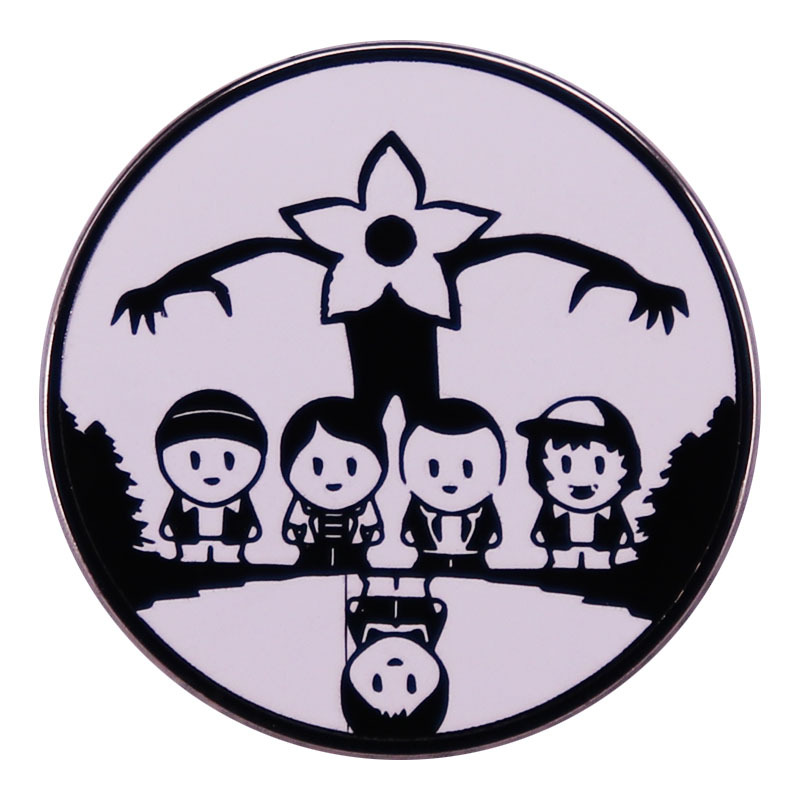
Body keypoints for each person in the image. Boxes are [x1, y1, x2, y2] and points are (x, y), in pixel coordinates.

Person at [516, 396, 641, 569]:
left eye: (599, 465)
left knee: (600, 562)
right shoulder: (551, 512)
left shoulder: (611, 513)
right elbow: (540, 532)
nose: (581, 479)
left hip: (603, 555)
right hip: (559, 554)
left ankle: (600, 563)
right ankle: (562, 562)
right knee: (562, 561)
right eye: (565, 464)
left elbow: (623, 533)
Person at [156, 389, 267, 563]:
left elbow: (253, 528)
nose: (211, 471)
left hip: (231, 547)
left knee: (229, 554)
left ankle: (230, 557)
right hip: (189, 545)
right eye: (194, 460)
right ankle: (189, 556)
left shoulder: (240, 506)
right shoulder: (180, 505)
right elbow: (167, 527)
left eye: (229, 460)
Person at [280, 397, 387, 570]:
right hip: (314, 549)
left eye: (351, 467)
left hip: (352, 550)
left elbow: (372, 525)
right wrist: (298, 534)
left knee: (351, 562)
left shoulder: (363, 506)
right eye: (317, 467)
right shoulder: (304, 505)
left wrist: (368, 535)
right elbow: (293, 524)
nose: (334, 478)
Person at [400, 398, 505, 572]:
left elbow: (493, 533)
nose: (450, 480)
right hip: (428, 560)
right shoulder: (418, 510)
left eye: (467, 469)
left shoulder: (483, 511)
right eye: (433, 468)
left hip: (473, 561)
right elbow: (408, 531)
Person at [341, 575, 449, 737]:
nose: (394, 672)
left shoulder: (361, 623)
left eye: (377, 683)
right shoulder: (429, 623)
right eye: (410, 683)